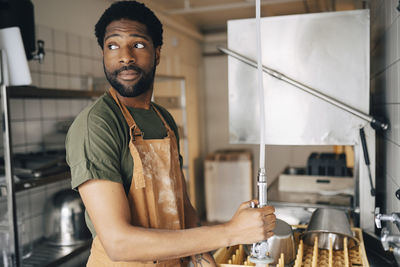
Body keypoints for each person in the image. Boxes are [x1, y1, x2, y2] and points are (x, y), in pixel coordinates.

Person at [66, 1, 276, 266]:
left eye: (138, 45)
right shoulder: (97, 124)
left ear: (157, 53)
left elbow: (182, 207)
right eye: (113, 46)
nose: (125, 56)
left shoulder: (163, 119)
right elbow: (119, 243)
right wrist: (230, 232)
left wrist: (201, 257)